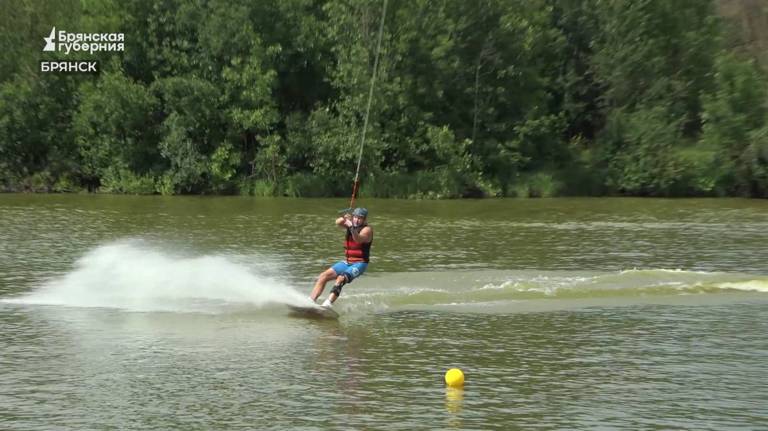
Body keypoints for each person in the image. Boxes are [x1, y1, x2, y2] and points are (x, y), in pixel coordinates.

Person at [310, 207, 373, 307]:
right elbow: (338, 222)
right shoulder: (350, 224)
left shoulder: (367, 230)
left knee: (341, 278)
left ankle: (327, 305)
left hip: (360, 263)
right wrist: (344, 218)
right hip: (347, 262)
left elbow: (358, 240)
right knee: (323, 276)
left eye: (360, 218)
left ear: (364, 220)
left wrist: (351, 227)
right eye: (355, 217)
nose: (357, 220)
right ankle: (310, 302)